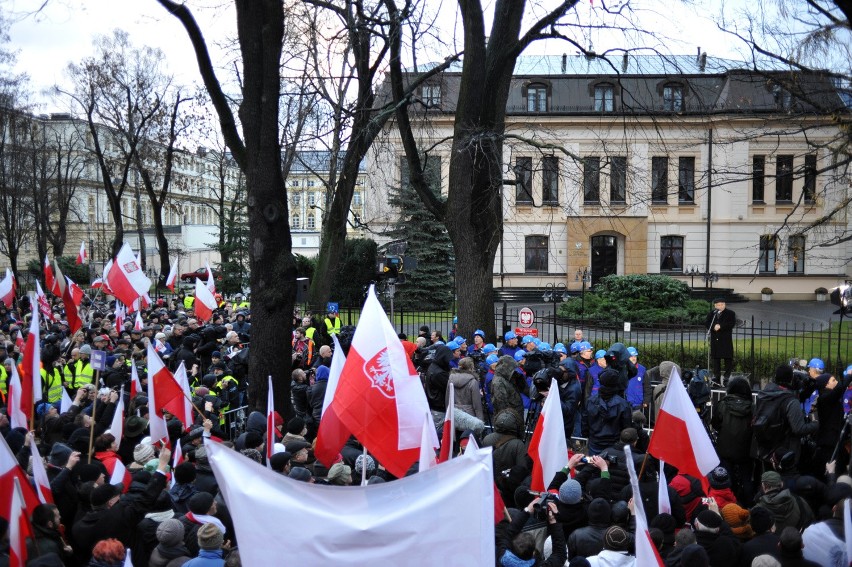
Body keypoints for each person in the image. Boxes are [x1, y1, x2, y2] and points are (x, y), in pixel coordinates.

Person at [706, 298, 736, 383]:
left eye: (722, 305)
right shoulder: (712, 313)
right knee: (716, 359)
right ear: (715, 306)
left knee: (727, 358)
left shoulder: (730, 313)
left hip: (725, 339)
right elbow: (707, 323)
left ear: (724, 305)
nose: (720, 306)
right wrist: (713, 327)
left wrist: (720, 326)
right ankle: (716, 375)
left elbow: (731, 323)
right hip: (715, 339)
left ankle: (727, 376)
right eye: (718, 305)